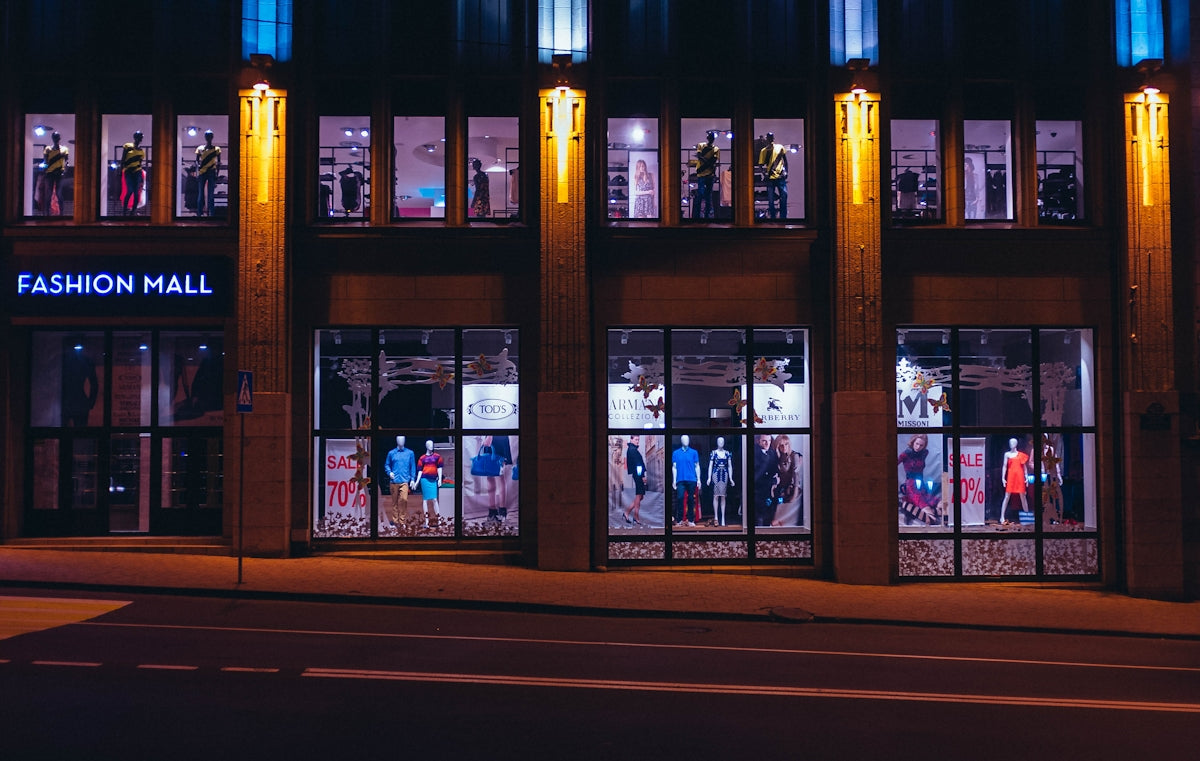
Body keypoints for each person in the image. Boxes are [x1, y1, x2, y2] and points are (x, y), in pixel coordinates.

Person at [897, 433, 938, 525]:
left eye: (921, 445)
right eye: (917, 444)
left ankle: (911, 508)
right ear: (913, 442)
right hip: (910, 484)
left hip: (921, 483)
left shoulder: (924, 453)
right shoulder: (906, 454)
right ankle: (928, 515)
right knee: (919, 500)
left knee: (932, 499)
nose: (918, 447)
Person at [383, 435, 416, 528]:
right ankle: (395, 521)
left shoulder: (410, 453)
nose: (401, 441)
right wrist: (389, 473)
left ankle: (402, 521)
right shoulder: (391, 453)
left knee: (404, 500)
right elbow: (386, 465)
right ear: (396, 441)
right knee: (394, 502)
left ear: (405, 441)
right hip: (394, 481)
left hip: (405, 480)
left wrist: (413, 479)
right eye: (399, 439)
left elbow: (412, 466)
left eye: (402, 439)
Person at [773, 434, 803, 526]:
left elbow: (796, 476)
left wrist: (794, 494)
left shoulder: (794, 456)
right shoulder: (777, 456)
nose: (784, 447)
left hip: (792, 490)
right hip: (780, 489)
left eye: (786, 444)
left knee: (784, 513)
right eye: (781, 445)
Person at [412, 439, 444, 528]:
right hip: (424, 480)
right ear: (426, 446)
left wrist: (440, 479)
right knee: (425, 500)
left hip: (433, 480)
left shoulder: (437, 456)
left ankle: (439, 520)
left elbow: (439, 468)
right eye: (429, 445)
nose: (431, 446)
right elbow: (420, 471)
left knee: (434, 499)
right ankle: (427, 521)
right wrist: (417, 481)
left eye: (432, 444)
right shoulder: (422, 458)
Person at [671, 434, 701, 526]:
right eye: (684, 439)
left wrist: (699, 479)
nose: (686, 441)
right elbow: (674, 467)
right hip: (680, 479)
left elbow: (697, 466)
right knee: (680, 498)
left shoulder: (694, 452)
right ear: (681, 441)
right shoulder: (676, 453)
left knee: (691, 499)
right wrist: (674, 480)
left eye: (687, 439)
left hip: (691, 479)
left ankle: (691, 520)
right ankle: (679, 519)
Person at [999, 437, 1029, 526]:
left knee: (1023, 496)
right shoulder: (1007, 454)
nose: (1011, 444)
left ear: (1016, 444)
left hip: (1019, 476)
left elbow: (1024, 467)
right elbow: (1004, 466)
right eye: (1010, 442)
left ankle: (1027, 516)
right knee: (1007, 496)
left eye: (1013, 443)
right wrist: (1003, 478)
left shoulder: (1021, 455)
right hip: (1011, 476)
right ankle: (1002, 516)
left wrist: (1026, 477)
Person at [757, 132, 788, 219]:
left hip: (780, 176)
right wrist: (764, 174)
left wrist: (786, 172)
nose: (770, 139)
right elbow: (760, 165)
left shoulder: (780, 147)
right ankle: (773, 217)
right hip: (770, 178)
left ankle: (783, 217)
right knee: (771, 199)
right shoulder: (764, 151)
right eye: (768, 138)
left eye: (771, 138)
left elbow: (785, 160)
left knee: (784, 196)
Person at [706, 436, 735, 526]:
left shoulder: (727, 453)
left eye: (722, 441)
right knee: (716, 495)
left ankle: (723, 517)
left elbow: (730, 466)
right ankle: (716, 517)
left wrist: (731, 478)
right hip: (716, 474)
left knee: (723, 496)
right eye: (719, 441)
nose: (721, 443)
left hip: (725, 474)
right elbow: (710, 466)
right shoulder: (714, 453)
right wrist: (709, 477)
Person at [752, 433, 779, 526]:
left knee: (769, 518)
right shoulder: (753, 454)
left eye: (769, 441)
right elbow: (755, 477)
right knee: (759, 520)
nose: (767, 443)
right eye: (764, 441)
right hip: (757, 493)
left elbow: (775, 470)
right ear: (758, 441)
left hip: (769, 493)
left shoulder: (772, 453)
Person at [692, 131, 719, 219]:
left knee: (708, 197)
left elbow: (713, 160)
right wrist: (709, 162)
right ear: (708, 138)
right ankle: (697, 217)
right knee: (701, 195)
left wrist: (703, 161)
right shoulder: (701, 145)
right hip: (702, 174)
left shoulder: (716, 149)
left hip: (709, 174)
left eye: (712, 138)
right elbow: (710, 160)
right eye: (710, 137)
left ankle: (706, 217)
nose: (711, 139)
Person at [41, 131, 69, 216]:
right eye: (55, 137)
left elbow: (67, 160)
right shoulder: (48, 149)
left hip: (59, 173)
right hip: (50, 173)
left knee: (58, 193)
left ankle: (61, 213)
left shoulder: (64, 149)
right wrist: (44, 169)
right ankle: (47, 213)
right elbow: (45, 160)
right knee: (49, 193)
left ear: (59, 138)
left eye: (57, 137)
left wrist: (65, 169)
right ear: (52, 138)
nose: (56, 139)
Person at [194, 130, 221, 216]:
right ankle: (199, 214)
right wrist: (197, 172)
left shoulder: (216, 149)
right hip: (203, 172)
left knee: (210, 194)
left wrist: (217, 173)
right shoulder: (200, 148)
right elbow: (196, 162)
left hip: (211, 172)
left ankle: (211, 214)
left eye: (210, 136)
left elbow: (219, 163)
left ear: (212, 137)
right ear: (205, 137)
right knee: (201, 194)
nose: (208, 138)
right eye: (207, 136)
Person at [119, 131, 146, 216]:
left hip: (137, 171)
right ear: (135, 138)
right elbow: (123, 159)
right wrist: (120, 170)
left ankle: (133, 211)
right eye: (139, 137)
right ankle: (124, 210)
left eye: (141, 137)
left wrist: (141, 177)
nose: (140, 139)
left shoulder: (142, 151)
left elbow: (140, 163)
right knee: (130, 190)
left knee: (136, 192)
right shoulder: (128, 146)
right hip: (128, 171)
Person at [622, 434, 646, 526]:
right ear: (631, 439)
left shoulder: (632, 449)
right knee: (639, 495)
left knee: (640, 496)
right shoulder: (632, 450)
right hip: (638, 474)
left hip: (637, 474)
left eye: (638, 439)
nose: (637, 441)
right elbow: (638, 464)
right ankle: (635, 516)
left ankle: (627, 513)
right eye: (636, 439)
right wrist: (642, 475)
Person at [1040, 434, 1063, 525]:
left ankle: (1054, 517)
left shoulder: (1051, 449)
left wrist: (1059, 475)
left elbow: (1055, 463)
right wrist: (1039, 469)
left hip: (1051, 475)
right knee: (1044, 496)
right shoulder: (1037, 450)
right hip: (1042, 476)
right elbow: (1031, 462)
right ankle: (1044, 517)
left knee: (1054, 496)